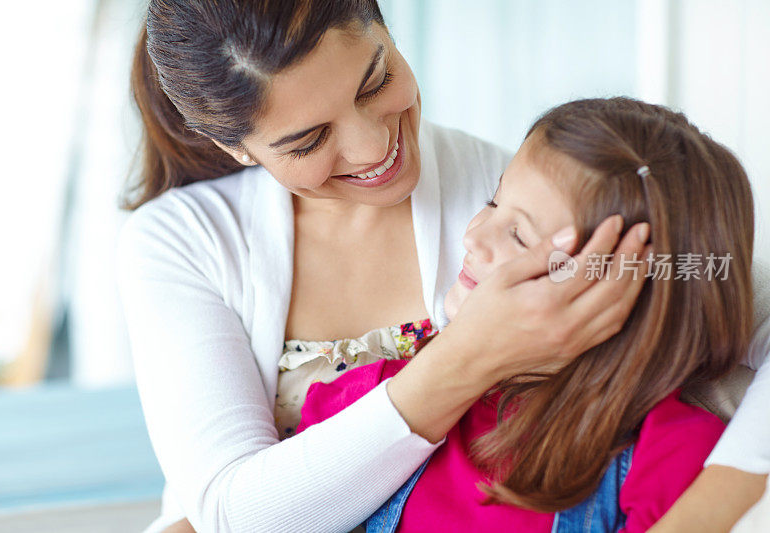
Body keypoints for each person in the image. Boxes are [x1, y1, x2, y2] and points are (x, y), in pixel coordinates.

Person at [116, 2, 765, 532]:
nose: (375, 146)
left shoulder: (534, 193)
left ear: (387, 26)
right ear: (235, 147)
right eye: (309, 140)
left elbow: (719, 294)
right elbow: (229, 514)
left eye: (375, 81)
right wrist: (472, 355)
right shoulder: (186, 240)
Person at [297, 97, 759, 532]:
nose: (473, 236)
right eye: (492, 203)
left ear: (629, 300)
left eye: (519, 235)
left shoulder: (672, 455)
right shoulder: (390, 396)